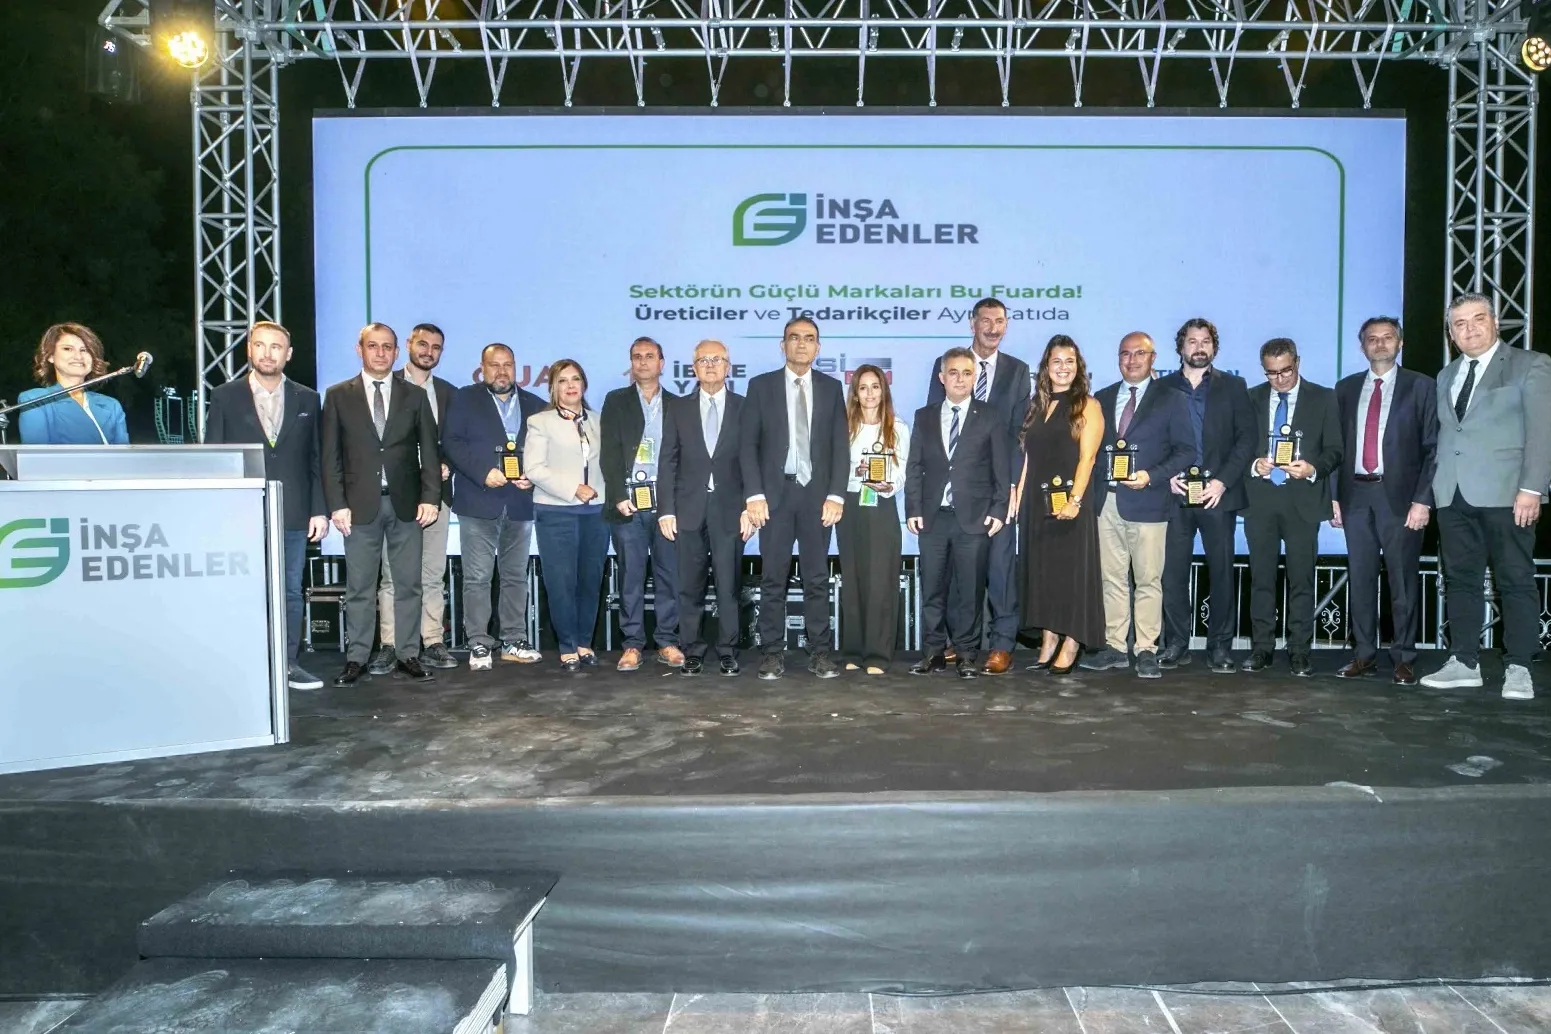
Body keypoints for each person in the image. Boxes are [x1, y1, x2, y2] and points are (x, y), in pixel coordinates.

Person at [1421, 293, 1551, 700]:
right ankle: (1464, 662)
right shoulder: (1446, 375)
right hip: (1453, 495)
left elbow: (1542, 432)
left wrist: (1531, 488)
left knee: (1515, 580)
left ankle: (1519, 667)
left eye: (1478, 319)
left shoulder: (1530, 364)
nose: (1470, 329)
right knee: (1460, 581)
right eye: (1459, 323)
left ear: (1495, 322)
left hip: (1508, 495)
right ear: (1451, 334)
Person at [204, 321, 329, 691]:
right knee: (245, 589)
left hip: (293, 511)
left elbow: (316, 458)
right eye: (260, 345)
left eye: (276, 347)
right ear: (249, 350)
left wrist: (319, 509)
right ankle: (244, 661)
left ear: (288, 354)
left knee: (290, 590)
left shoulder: (308, 398)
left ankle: (287, 663)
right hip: (240, 513)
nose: (268, 353)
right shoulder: (225, 396)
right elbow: (215, 459)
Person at [321, 322, 442, 687]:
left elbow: (430, 452)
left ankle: (408, 654)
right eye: (373, 346)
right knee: (359, 587)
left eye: (387, 347)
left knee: (409, 585)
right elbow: (330, 457)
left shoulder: (414, 396)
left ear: (396, 352)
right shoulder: (338, 395)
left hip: (406, 506)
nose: (380, 353)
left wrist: (431, 497)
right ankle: (357, 658)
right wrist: (336, 504)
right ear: (360, 350)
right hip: (358, 508)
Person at [1079, 333, 1195, 679]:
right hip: (1107, 502)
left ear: (1153, 357)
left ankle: (1146, 649)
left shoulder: (1172, 399)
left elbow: (1186, 451)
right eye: (1125, 354)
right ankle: (1115, 646)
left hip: (1150, 502)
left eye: (1139, 353)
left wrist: (1151, 476)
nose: (1132, 360)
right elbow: (1091, 451)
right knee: (1111, 579)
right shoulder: (1101, 398)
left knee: (1148, 580)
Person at [925, 298, 1031, 674]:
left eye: (999, 321)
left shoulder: (1018, 371)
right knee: (959, 574)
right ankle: (960, 642)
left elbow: (1020, 434)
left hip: (998, 490)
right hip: (957, 494)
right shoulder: (946, 365)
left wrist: (1012, 486)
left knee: (1000, 570)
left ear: (1006, 326)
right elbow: (935, 430)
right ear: (972, 324)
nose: (992, 328)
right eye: (985, 320)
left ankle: (1002, 645)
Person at [740, 317, 850, 680]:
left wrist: (836, 495)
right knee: (773, 578)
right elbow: (748, 445)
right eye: (794, 337)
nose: (801, 344)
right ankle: (772, 652)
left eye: (809, 338)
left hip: (817, 497)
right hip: (775, 497)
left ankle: (820, 652)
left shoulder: (831, 388)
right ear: (782, 344)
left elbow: (840, 446)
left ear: (818, 347)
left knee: (817, 578)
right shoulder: (761, 386)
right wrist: (754, 494)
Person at [1331, 317, 1438, 686]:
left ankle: (1404, 657)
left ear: (1400, 343)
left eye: (1387, 337)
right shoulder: (1345, 388)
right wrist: (1333, 496)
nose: (1380, 344)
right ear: (1362, 346)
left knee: (1402, 581)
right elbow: (1335, 448)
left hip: (1402, 499)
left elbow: (1433, 448)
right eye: (1372, 339)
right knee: (1360, 578)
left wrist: (1423, 500)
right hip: (1355, 495)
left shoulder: (1421, 386)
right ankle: (1363, 654)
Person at [1156, 319, 1258, 672]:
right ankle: (1176, 644)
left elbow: (1247, 438)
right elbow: (1154, 438)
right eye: (1192, 341)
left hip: (1218, 495)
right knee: (1172, 574)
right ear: (1180, 346)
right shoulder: (1162, 387)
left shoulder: (1234, 386)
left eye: (1205, 341)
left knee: (1222, 573)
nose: (1199, 347)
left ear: (1214, 347)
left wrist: (1223, 482)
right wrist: (1167, 474)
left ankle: (1219, 648)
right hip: (1176, 494)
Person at [440, 343, 547, 670]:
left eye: (507, 365)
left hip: (519, 502)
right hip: (478, 499)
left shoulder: (535, 404)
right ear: (482, 368)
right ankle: (479, 642)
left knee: (515, 576)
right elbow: (451, 443)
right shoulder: (464, 398)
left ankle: (513, 639)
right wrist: (482, 473)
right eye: (494, 365)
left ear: (515, 367)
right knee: (477, 577)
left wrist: (533, 476)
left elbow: (545, 450)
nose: (502, 371)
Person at [905, 347, 1009, 678]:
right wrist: (913, 508)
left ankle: (966, 654)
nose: (960, 379)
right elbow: (914, 466)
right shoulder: (924, 416)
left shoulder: (990, 415)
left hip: (974, 519)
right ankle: (933, 652)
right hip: (933, 517)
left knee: (970, 591)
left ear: (975, 377)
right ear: (942, 377)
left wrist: (999, 509)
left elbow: (1001, 467)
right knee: (932, 590)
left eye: (967, 373)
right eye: (953, 372)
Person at [1241, 338, 1342, 676]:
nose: (1280, 379)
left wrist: (1313, 468)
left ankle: (1299, 650)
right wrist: (1254, 464)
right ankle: (1261, 648)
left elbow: (1335, 449)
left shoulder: (1324, 397)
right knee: (1261, 579)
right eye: (1271, 373)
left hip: (1303, 500)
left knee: (1302, 579)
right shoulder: (1250, 398)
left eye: (1285, 370)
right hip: (1260, 500)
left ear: (1297, 362)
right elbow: (1237, 446)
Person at [658, 340, 754, 677]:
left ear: (728, 366)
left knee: (728, 586)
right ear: (693, 368)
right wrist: (666, 510)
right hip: (688, 509)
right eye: (703, 360)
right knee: (689, 586)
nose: (710, 365)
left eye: (717, 359)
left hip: (731, 510)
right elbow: (668, 461)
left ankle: (728, 650)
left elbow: (753, 460)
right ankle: (693, 650)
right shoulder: (678, 408)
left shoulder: (745, 407)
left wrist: (750, 506)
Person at [1015, 335, 1106, 674]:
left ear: (1078, 367)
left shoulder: (1087, 405)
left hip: (1071, 505)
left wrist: (1075, 500)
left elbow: (1088, 458)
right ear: (1046, 367)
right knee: (1043, 575)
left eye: (1070, 361)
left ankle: (1072, 641)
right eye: (1057, 361)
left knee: (1069, 575)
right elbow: (1029, 458)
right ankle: (1049, 639)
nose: (1063, 367)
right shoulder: (1037, 406)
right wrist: (1019, 496)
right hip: (1037, 505)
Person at [371, 323, 457, 674]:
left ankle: (432, 641)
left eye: (435, 347)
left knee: (432, 573)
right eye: (422, 344)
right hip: (398, 495)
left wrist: (447, 464)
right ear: (408, 344)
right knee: (393, 576)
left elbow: (457, 441)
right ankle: (390, 644)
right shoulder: (383, 386)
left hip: (437, 496)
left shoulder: (449, 393)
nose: (428, 352)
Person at [600, 337, 684, 672]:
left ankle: (667, 641)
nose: (643, 362)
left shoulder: (678, 404)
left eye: (650, 356)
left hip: (666, 505)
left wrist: (677, 503)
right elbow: (608, 453)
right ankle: (632, 644)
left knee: (669, 576)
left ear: (661, 363)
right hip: (628, 504)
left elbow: (685, 457)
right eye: (637, 356)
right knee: (631, 577)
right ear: (631, 363)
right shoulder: (616, 401)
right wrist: (618, 495)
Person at [525, 359, 608, 672]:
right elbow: (534, 468)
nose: (570, 385)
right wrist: (573, 488)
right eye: (562, 380)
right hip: (555, 510)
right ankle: (567, 646)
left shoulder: (599, 421)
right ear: (553, 388)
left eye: (575, 379)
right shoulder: (540, 422)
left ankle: (585, 642)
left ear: (584, 384)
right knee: (561, 582)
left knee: (590, 580)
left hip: (596, 512)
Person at [837, 365, 910, 675]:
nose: (869, 393)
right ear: (855, 393)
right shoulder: (844, 427)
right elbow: (835, 469)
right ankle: (854, 650)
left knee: (880, 580)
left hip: (881, 506)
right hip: (850, 506)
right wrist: (854, 474)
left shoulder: (898, 427)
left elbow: (903, 471)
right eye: (863, 387)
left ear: (884, 391)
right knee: (852, 580)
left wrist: (887, 484)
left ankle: (878, 654)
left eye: (875, 386)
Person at [18, 323, 129, 445]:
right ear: (50, 356)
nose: (78, 356)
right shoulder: (36, 400)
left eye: (84, 350)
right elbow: (37, 454)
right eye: (68, 349)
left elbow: (125, 454)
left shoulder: (111, 405)